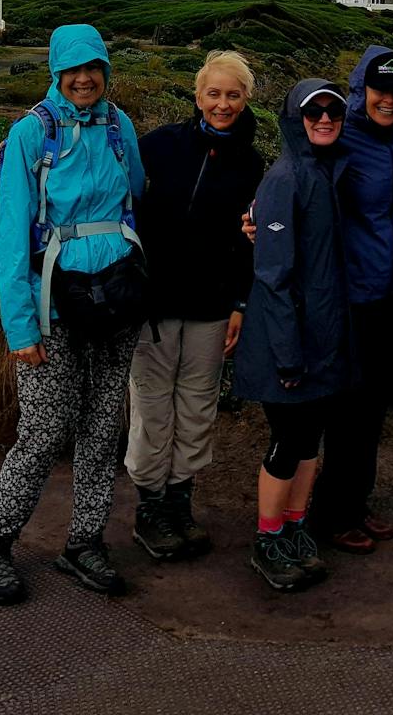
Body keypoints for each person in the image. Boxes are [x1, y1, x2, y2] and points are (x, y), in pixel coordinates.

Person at [0, 23, 145, 605]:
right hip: (53, 309)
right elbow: (12, 242)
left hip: (116, 300)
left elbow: (135, 197)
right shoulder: (30, 135)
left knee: (102, 428)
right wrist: (20, 328)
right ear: (55, 72)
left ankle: (84, 542)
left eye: (93, 68)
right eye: (73, 70)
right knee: (43, 432)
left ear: (105, 70)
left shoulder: (121, 128)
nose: (84, 79)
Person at [124, 50, 265, 560]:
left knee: (198, 406)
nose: (223, 104)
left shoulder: (252, 162)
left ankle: (180, 502)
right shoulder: (160, 146)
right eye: (214, 93)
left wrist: (240, 304)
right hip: (153, 304)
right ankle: (150, 507)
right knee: (153, 405)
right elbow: (113, 190)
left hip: (212, 304)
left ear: (247, 98)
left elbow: (250, 241)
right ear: (197, 95)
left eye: (233, 94)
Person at [234, 78, 355, 591]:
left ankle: (294, 527)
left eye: (333, 111)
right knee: (287, 442)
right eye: (313, 112)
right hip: (288, 342)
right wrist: (287, 355)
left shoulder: (327, 170)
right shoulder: (285, 178)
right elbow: (274, 276)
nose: (324, 119)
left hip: (323, 337)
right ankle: (267, 539)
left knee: (309, 442)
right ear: (293, 119)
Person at [308, 44, 393, 553]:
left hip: (388, 295)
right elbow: (296, 178)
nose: (388, 100)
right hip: (347, 296)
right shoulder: (338, 136)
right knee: (344, 408)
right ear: (359, 90)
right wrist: (259, 217)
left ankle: (355, 502)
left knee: (371, 406)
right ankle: (327, 514)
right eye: (379, 90)